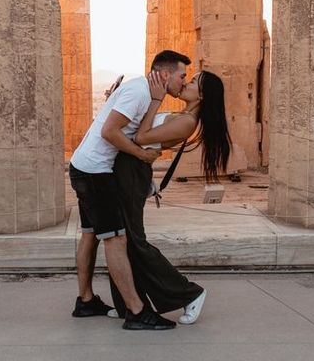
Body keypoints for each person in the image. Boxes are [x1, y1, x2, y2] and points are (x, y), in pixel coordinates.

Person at [69, 50, 191, 330]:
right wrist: (140, 154)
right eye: (181, 76)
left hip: (86, 166)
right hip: (95, 172)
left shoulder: (143, 92)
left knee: (91, 235)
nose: (183, 82)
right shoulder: (138, 92)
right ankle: (136, 311)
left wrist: (157, 103)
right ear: (164, 74)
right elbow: (109, 132)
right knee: (116, 239)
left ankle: (86, 301)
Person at [110, 70, 232, 325]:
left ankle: (190, 293)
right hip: (128, 169)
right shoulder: (182, 115)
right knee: (122, 239)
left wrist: (155, 101)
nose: (186, 83)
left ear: (202, 94)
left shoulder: (187, 121)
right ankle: (127, 303)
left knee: (133, 240)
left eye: (193, 81)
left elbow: (141, 137)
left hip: (133, 171)